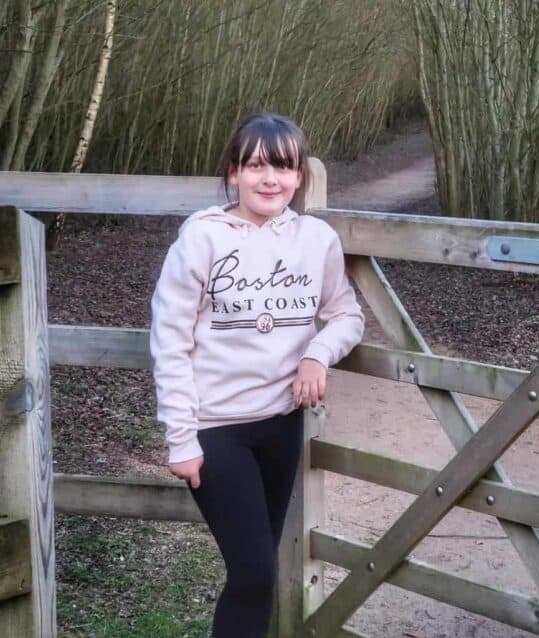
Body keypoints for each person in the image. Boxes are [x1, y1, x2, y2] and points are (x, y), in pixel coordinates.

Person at [149, 112, 364, 637]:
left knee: (260, 573)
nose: (270, 179)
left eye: (283, 167)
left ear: (299, 176)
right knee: (253, 573)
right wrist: (181, 438)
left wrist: (318, 353)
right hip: (215, 429)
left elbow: (347, 314)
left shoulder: (316, 239)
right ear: (234, 172)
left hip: (281, 424)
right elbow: (170, 343)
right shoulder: (202, 239)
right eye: (256, 166)